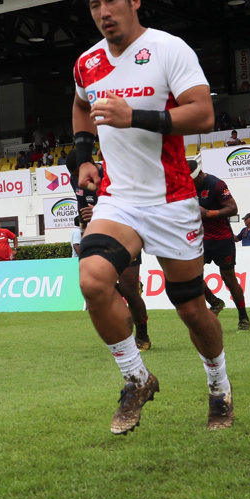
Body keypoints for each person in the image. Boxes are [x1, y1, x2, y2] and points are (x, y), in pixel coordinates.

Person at [71, 0, 233, 434]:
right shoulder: (88, 62)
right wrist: (83, 156)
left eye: (112, 0)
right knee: (93, 281)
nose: (104, 11)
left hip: (172, 199)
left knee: (191, 308)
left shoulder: (168, 49)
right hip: (118, 199)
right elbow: (81, 105)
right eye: (95, 4)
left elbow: (202, 114)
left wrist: (135, 116)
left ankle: (219, 386)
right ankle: (137, 378)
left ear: (134, 0)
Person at [66, 149, 152, 350]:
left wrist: (98, 210)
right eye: (74, 175)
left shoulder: (114, 174)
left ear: (90, 164)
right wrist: (85, 232)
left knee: (131, 293)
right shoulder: (75, 181)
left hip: (125, 235)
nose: (78, 180)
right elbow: (82, 209)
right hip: (97, 236)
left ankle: (143, 335)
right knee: (96, 286)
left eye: (79, 173)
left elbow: (133, 206)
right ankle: (128, 294)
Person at [190, 159, 250, 330]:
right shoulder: (187, 186)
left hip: (222, 239)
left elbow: (233, 208)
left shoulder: (216, 185)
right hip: (201, 238)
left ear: (200, 175)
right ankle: (215, 302)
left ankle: (243, 317)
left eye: (192, 181)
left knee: (229, 278)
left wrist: (209, 213)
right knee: (191, 276)